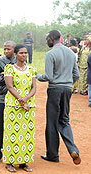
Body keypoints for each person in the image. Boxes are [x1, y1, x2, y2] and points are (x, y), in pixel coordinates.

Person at [37, 30, 81, 165]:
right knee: (64, 120)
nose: (46, 42)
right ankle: (73, 149)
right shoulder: (71, 53)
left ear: (51, 38)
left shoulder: (50, 54)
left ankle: (53, 155)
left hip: (55, 89)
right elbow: (77, 75)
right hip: (68, 89)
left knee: (52, 122)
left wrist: (37, 76)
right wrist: (68, 84)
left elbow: (49, 76)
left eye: (47, 39)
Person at [3, 44, 36, 172]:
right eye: (21, 53)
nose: (24, 55)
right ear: (15, 54)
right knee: (12, 134)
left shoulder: (31, 69)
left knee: (27, 134)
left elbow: (34, 87)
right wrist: (22, 101)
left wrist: (26, 99)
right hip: (13, 106)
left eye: (25, 53)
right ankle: (10, 162)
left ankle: (23, 162)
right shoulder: (9, 68)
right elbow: (10, 87)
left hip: (28, 106)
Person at [0, 41, 16, 165]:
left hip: (15, 99)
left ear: (14, 49)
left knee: (13, 126)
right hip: (1, 97)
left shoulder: (19, 61)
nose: (6, 51)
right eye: (4, 49)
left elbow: (22, 78)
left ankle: (11, 152)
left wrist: (6, 76)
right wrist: (11, 78)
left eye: (9, 49)